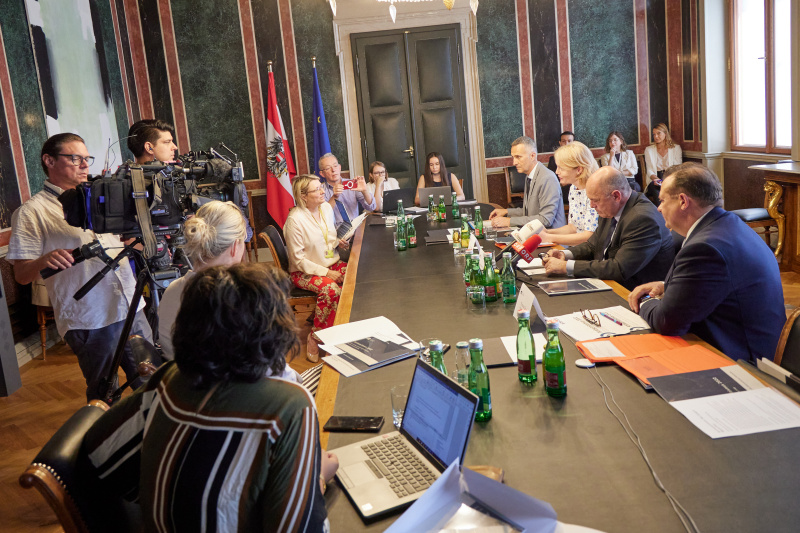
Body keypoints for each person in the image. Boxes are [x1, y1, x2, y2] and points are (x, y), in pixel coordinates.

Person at [85, 263, 338, 531]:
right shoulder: (290, 404)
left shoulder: (169, 377)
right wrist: (317, 478)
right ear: (275, 331)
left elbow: (99, 452)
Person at [7, 133, 151, 401]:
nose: (85, 165)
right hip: (89, 318)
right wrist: (42, 261)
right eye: (75, 158)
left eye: (87, 158)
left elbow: (128, 245)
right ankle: (108, 442)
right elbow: (22, 275)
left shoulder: (102, 195)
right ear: (49, 160)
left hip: (131, 307)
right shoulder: (31, 212)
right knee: (104, 397)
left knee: (151, 384)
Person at [628, 163, 784, 362]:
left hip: (742, 360)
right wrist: (667, 286)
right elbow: (722, 285)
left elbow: (667, 322)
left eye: (663, 201)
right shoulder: (728, 224)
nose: (659, 208)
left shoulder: (705, 247)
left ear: (683, 201)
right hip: (753, 343)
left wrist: (646, 301)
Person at [541, 167, 674, 290]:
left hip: (633, 292)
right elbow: (592, 246)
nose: (592, 206)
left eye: (595, 200)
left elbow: (619, 269)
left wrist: (566, 267)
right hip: (610, 283)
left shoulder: (643, 219)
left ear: (616, 196)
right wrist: (565, 255)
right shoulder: (610, 207)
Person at [158, 201, 246, 360]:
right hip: (230, 384)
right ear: (235, 246)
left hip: (180, 382)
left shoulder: (172, 291)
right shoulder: (241, 297)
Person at [284, 175, 350, 361]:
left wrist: (338, 242)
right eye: (317, 189)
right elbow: (298, 260)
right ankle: (316, 335)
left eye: (321, 187)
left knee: (355, 276)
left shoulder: (326, 208)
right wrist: (328, 273)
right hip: (304, 272)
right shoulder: (294, 221)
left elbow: (327, 238)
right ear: (303, 196)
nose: (323, 191)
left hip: (330, 262)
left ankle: (341, 328)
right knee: (331, 289)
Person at [489, 136, 565, 229]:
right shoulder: (529, 175)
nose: (514, 162)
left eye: (518, 157)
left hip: (552, 239)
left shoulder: (547, 178)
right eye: (513, 157)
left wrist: (509, 221)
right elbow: (530, 212)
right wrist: (506, 212)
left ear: (532, 156)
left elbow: (546, 219)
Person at [539, 141, 599, 247]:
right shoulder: (573, 188)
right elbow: (573, 227)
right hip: (579, 250)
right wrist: (546, 232)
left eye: (561, 168)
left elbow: (589, 236)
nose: (557, 172)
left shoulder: (595, 191)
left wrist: (550, 238)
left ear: (579, 169)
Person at [318, 153, 376, 226]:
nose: (333, 170)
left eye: (335, 166)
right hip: (333, 232)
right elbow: (322, 215)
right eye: (328, 168)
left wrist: (365, 191)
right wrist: (334, 196)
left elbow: (371, 207)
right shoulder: (320, 190)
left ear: (339, 168)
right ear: (322, 173)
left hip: (355, 229)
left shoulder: (351, 184)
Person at [644, 123, 682, 204]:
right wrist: (656, 179)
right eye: (654, 134)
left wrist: (666, 181)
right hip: (655, 179)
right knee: (656, 189)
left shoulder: (676, 148)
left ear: (665, 133)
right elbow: (650, 170)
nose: (656, 137)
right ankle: (661, 214)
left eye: (658, 133)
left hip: (670, 178)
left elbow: (677, 169)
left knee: (673, 189)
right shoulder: (649, 150)